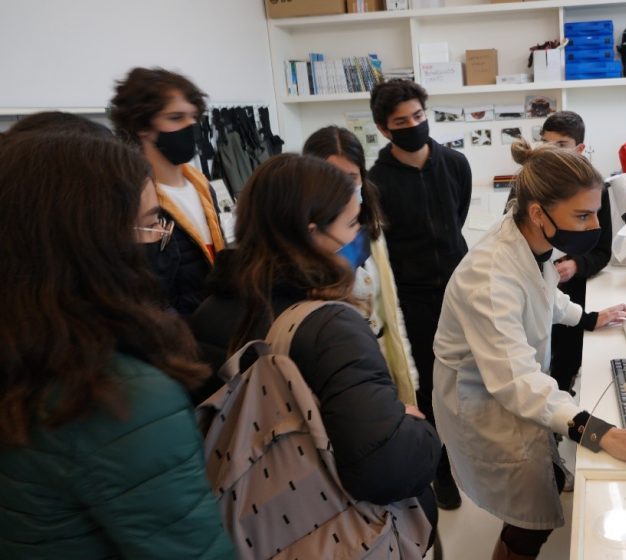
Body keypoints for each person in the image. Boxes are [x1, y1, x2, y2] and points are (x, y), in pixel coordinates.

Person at [433, 140, 626, 560]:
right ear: (539, 212)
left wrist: (587, 317)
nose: (593, 225)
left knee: (543, 483)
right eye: (583, 215)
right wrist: (600, 433)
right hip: (483, 398)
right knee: (528, 513)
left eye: (594, 213)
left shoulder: (532, 239)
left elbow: (543, 293)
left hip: (511, 383)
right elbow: (516, 381)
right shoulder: (489, 276)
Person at [188, 154, 441, 551]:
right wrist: (414, 428)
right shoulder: (329, 326)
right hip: (333, 534)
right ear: (312, 233)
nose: (360, 233)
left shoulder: (209, 310)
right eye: (352, 222)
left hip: (254, 533)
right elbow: (385, 467)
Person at [0, 132, 234, 559]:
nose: (158, 239)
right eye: (147, 223)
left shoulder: (24, 355)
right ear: (90, 244)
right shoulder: (121, 396)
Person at [368, 79, 471, 509]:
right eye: (401, 122)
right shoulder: (374, 182)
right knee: (427, 386)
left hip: (459, 288)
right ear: (384, 129)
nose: (413, 125)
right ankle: (439, 470)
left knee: (468, 380)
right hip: (412, 298)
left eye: (418, 116)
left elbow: (458, 217)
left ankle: (471, 460)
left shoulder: (455, 164)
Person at [303, 125, 419, 406]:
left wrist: (408, 374)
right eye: (333, 178)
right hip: (340, 374)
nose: (344, 188)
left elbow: (390, 307)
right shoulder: (307, 245)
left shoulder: (370, 228)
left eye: (351, 177)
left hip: (380, 358)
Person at [110, 67, 226, 315]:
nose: (191, 126)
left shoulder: (202, 185)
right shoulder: (134, 200)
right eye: (176, 118)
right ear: (143, 126)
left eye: (194, 117)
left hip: (216, 327)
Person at [540, 110, 614, 395]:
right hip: (536, 290)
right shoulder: (533, 188)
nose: (550, 153)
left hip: (572, 290)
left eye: (560, 146)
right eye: (545, 144)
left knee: (568, 364)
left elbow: (602, 252)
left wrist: (576, 265)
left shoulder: (596, 190)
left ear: (579, 149)